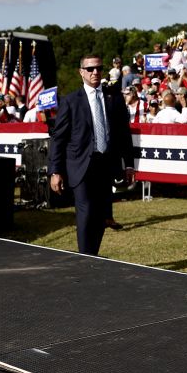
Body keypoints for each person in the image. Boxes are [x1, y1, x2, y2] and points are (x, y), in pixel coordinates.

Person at [48, 54, 136, 255]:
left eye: (98, 68)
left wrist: (129, 164)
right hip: (80, 165)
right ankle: (85, 259)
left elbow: (123, 134)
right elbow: (58, 139)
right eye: (90, 69)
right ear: (81, 72)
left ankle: (92, 257)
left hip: (106, 164)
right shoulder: (70, 101)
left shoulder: (113, 98)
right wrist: (55, 171)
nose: (95, 72)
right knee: (86, 211)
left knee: (100, 215)